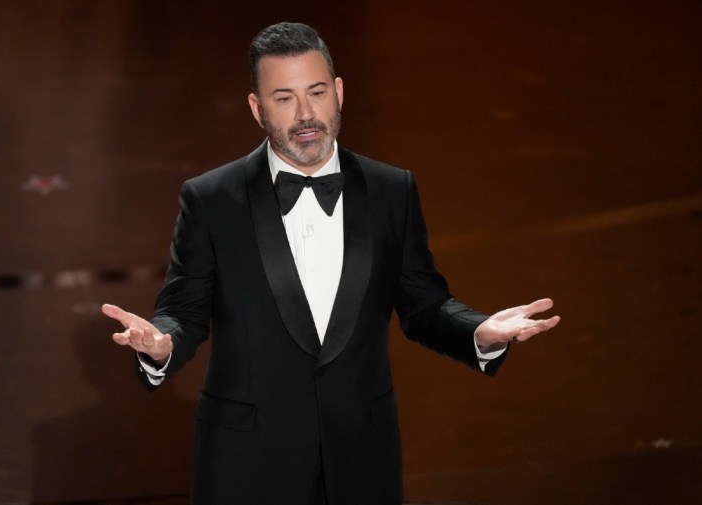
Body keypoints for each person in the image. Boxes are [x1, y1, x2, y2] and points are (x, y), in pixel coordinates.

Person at [101, 22, 560, 505]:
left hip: (361, 457)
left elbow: (423, 305)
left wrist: (478, 331)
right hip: (248, 465)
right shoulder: (212, 199)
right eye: (284, 98)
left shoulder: (391, 190)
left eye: (317, 92)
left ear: (338, 92)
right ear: (257, 109)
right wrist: (160, 344)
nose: (306, 114)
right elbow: (185, 310)